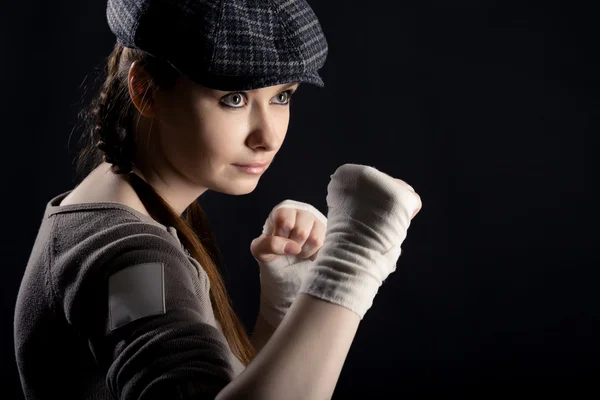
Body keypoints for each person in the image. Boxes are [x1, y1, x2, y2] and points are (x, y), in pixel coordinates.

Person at [14, 0, 422, 399]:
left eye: (282, 96)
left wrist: (282, 312)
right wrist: (350, 266)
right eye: (235, 99)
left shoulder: (125, 210)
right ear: (146, 91)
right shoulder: (129, 260)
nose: (268, 137)